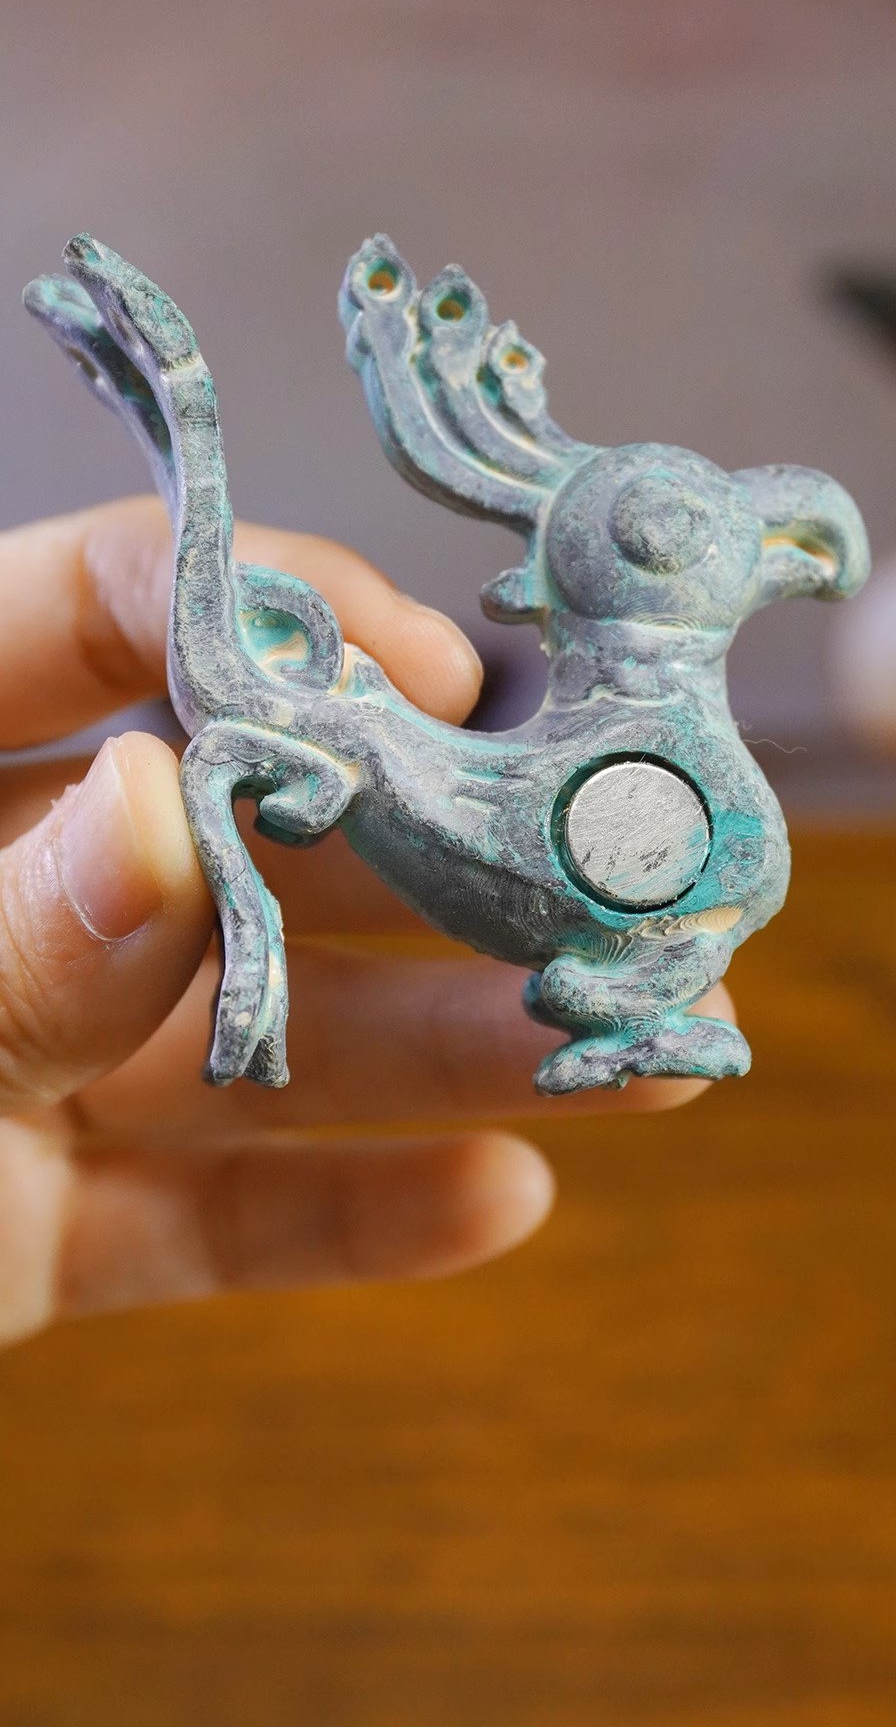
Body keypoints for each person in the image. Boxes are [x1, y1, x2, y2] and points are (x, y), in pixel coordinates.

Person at [0, 498, 732, 1347]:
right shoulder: (341, 726)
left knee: (581, 983)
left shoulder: (365, 718)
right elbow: (239, 765)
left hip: (611, 879)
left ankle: (642, 1020)